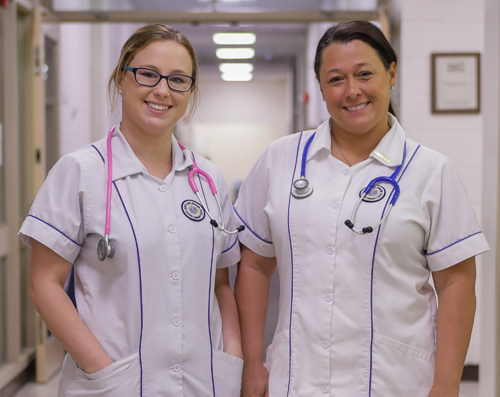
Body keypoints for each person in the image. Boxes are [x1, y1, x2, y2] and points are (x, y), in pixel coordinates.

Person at [234, 20, 488, 397]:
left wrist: (447, 384)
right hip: (297, 378)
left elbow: (457, 283)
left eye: (364, 74)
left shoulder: (430, 171)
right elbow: (254, 263)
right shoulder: (280, 160)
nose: (352, 91)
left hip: (396, 382)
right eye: (336, 79)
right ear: (321, 87)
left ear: (391, 73)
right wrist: (253, 363)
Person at [19, 24, 243, 397]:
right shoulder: (80, 172)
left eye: (178, 80)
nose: (162, 90)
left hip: (203, 383)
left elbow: (221, 283)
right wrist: (102, 371)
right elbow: (44, 285)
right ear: (121, 78)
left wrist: (232, 356)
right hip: (113, 383)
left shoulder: (209, 180)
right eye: (148, 74)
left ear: (190, 91)